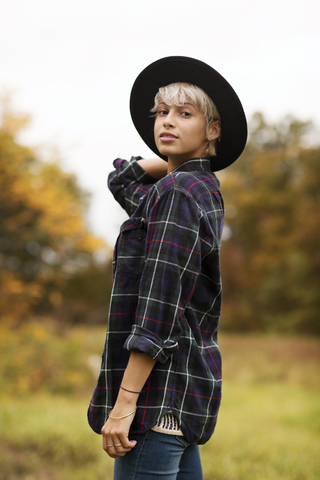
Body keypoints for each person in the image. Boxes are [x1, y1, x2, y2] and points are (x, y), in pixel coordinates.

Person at [88, 56, 247, 479]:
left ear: (212, 129)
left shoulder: (176, 194)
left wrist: (124, 406)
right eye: (161, 113)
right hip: (185, 393)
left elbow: (158, 311)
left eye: (184, 113)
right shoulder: (199, 188)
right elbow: (121, 180)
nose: (167, 121)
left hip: (156, 398)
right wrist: (180, 159)